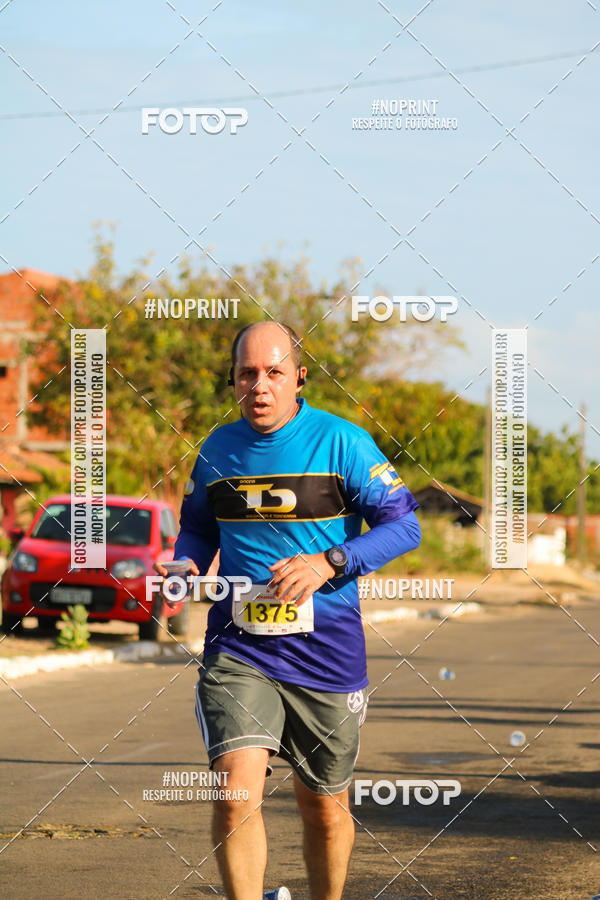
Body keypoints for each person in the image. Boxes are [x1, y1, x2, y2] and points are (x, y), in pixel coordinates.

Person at [161, 321, 421, 900]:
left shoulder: (342, 443)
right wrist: (185, 565)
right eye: (247, 373)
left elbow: (405, 524)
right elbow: (199, 530)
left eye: (274, 372)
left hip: (326, 655)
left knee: (324, 809)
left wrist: (330, 562)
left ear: (299, 377)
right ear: (232, 380)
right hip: (239, 649)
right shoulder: (216, 450)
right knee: (235, 796)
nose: (260, 385)